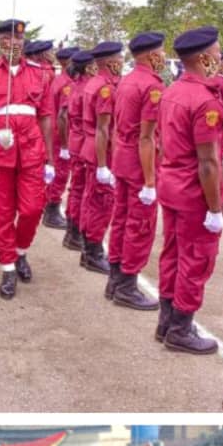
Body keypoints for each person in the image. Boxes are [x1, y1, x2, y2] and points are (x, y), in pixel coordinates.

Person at [0, 18, 55, 298]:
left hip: (31, 153)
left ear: (23, 41)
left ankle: (20, 252)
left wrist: (50, 159)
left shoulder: (41, 74)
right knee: (3, 215)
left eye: (17, 39)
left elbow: (46, 117)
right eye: (6, 39)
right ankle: (7, 268)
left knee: (31, 210)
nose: (12, 43)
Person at [155, 26, 223, 355]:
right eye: (217, 51)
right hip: (193, 191)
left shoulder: (174, 90)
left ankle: (166, 320)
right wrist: (214, 208)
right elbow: (208, 162)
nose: (220, 56)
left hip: (171, 185)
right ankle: (180, 328)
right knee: (195, 261)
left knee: (173, 253)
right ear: (203, 57)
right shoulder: (204, 100)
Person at [105, 32, 165, 310]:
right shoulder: (152, 86)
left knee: (121, 219)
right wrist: (151, 181)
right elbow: (147, 137)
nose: (164, 57)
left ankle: (115, 280)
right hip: (140, 164)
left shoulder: (127, 80)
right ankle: (127, 285)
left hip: (122, 158)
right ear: (151, 55)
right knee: (139, 225)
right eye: (161, 52)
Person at [77, 40, 125, 274]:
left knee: (91, 200)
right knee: (101, 204)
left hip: (91, 148)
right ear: (108, 62)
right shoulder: (105, 87)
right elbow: (103, 128)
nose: (122, 62)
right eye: (119, 58)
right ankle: (94, 253)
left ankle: (89, 251)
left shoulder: (95, 82)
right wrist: (104, 165)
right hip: (100, 151)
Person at [62, 50, 96, 250]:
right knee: (85, 191)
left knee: (76, 189)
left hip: (76, 141)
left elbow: (65, 116)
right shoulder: (87, 88)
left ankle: (71, 232)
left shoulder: (74, 86)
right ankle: (77, 233)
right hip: (84, 142)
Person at [42, 46, 75, 230]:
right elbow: (63, 115)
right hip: (60, 135)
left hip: (54, 133)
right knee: (60, 175)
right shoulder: (67, 84)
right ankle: (51, 210)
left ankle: (49, 206)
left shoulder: (59, 79)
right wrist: (64, 144)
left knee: (54, 173)